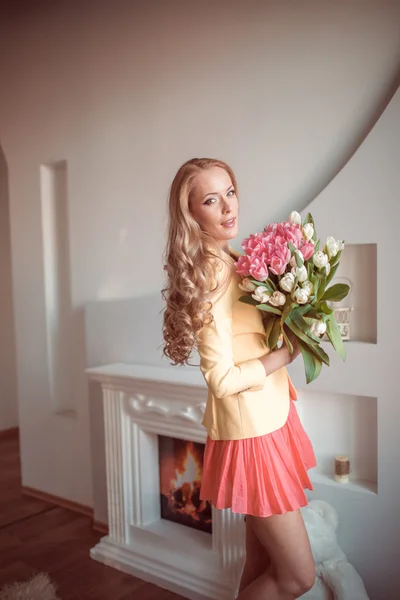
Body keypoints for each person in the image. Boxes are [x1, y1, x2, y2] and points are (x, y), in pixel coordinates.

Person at [162, 158, 317, 599]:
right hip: (253, 435)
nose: (229, 207)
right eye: (211, 200)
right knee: (298, 577)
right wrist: (281, 355)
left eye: (230, 191)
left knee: (263, 562)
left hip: (269, 418)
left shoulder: (229, 257)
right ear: (191, 214)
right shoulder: (210, 273)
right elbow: (220, 378)